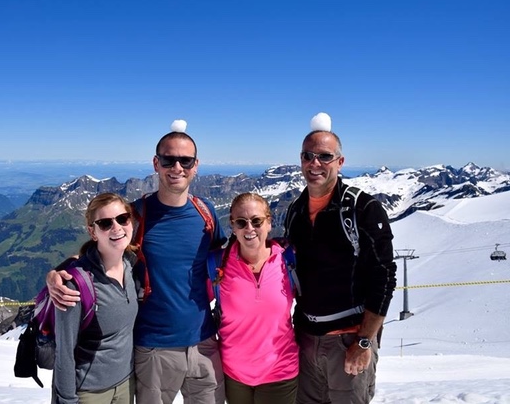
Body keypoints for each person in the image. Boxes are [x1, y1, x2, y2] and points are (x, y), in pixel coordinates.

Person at [47, 121, 227, 404]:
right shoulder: (134, 215)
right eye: (169, 159)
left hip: (204, 343)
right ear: (156, 163)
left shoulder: (206, 213)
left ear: (196, 165)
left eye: (185, 160)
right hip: (153, 348)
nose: (177, 167)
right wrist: (57, 273)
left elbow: (228, 256)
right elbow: (102, 248)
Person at [283, 114, 397, 404]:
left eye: (325, 156)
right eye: (308, 156)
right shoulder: (296, 210)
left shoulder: (363, 208)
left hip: (348, 342)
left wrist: (363, 341)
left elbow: (384, 277)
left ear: (340, 162)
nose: (315, 163)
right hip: (307, 340)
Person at [52, 192, 138, 404]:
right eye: (105, 223)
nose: (117, 227)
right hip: (89, 393)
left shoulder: (131, 265)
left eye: (122, 219)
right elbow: (64, 352)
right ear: (93, 232)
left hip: (127, 384)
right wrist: (67, 400)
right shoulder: (75, 284)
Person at [216, 192, 299, 404]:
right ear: (233, 227)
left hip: (280, 371)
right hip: (234, 375)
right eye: (241, 222)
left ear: (269, 223)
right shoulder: (218, 266)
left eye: (256, 221)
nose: (249, 228)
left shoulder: (288, 262)